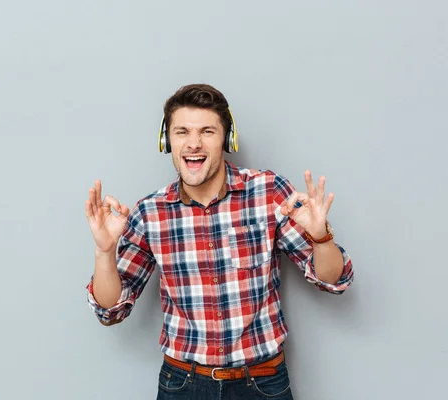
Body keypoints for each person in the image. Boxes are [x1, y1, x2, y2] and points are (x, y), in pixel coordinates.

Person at [85, 84, 354, 399]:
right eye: (182, 132)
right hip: (183, 384)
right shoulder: (150, 212)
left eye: (207, 131)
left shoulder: (268, 192)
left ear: (227, 139)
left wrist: (321, 238)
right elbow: (110, 309)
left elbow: (334, 278)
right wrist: (104, 252)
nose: (193, 144)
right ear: (166, 141)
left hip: (262, 382)